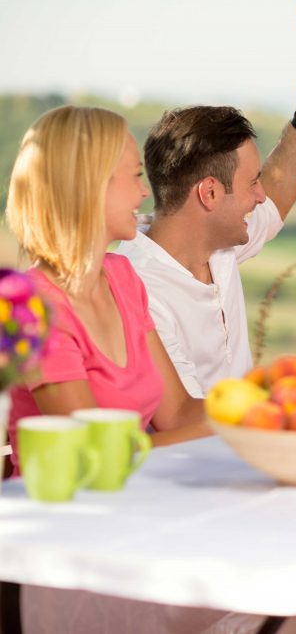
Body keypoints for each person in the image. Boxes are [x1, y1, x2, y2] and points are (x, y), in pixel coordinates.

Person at [117, 65, 296, 398]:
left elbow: (275, 192)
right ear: (210, 193)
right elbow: (184, 417)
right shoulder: (140, 289)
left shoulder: (215, 240)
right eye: (252, 183)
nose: (260, 195)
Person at [5, 106, 209, 467]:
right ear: (91, 185)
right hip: (67, 510)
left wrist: (267, 403)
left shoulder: (122, 278)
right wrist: (236, 427)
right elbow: (92, 456)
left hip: (132, 495)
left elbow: (177, 414)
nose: (144, 192)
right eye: (134, 176)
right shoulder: (35, 308)